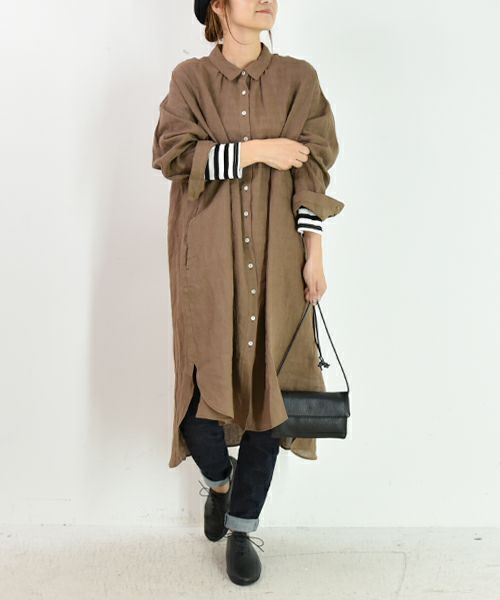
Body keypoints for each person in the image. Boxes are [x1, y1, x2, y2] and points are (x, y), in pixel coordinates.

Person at [151, 0, 345, 586]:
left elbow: (311, 172)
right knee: (199, 400)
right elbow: (173, 154)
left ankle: (241, 527)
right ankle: (219, 482)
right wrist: (259, 150)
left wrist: (314, 252)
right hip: (206, 261)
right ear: (218, 5)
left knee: (270, 394)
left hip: (280, 258)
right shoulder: (191, 79)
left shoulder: (298, 79)